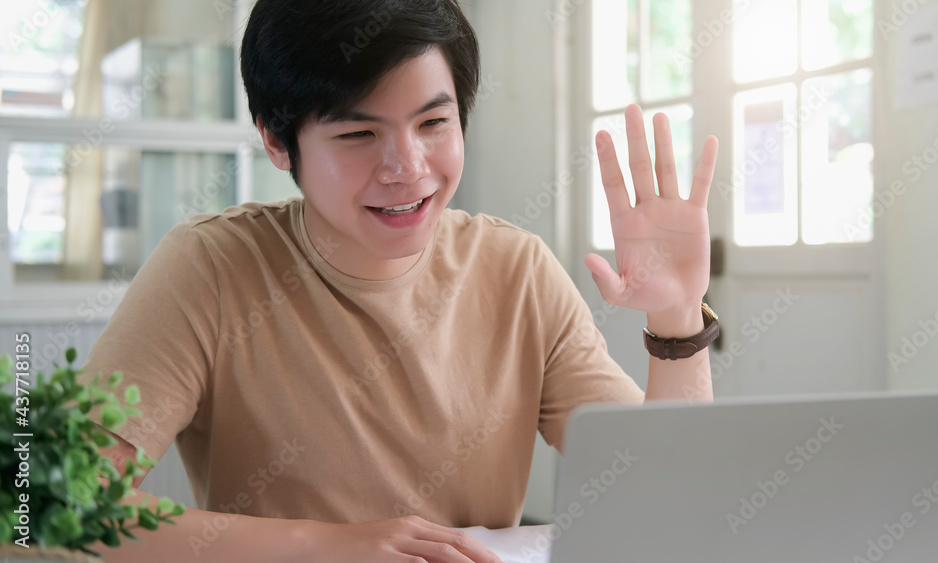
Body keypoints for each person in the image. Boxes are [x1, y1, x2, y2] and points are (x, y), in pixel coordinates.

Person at [83, 0, 719, 561]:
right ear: (278, 142)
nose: (408, 168)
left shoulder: (516, 270)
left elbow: (668, 492)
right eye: (360, 133)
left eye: (433, 124)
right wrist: (325, 547)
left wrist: (677, 316)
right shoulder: (211, 267)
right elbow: (44, 505)